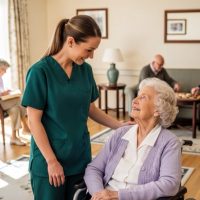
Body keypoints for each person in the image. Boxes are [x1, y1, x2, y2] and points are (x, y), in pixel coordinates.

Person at [21, 15, 131, 200]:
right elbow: (33, 121)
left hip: (79, 158)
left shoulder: (85, 71)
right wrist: (51, 161)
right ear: (70, 41)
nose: (91, 55)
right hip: (50, 161)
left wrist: (119, 126)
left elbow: (90, 109)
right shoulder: (40, 72)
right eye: (89, 49)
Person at [84, 78, 182, 200]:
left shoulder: (169, 142)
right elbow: (94, 169)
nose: (134, 100)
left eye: (143, 97)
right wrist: (99, 194)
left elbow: (170, 184)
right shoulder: (120, 134)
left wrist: (118, 195)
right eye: (137, 96)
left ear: (157, 110)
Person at [0, 59, 30, 146]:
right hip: (1, 103)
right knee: (20, 100)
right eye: (3, 70)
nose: (5, 72)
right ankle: (25, 126)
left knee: (15, 109)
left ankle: (14, 137)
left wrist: (6, 91)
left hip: (5, 103)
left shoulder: (0, 79)